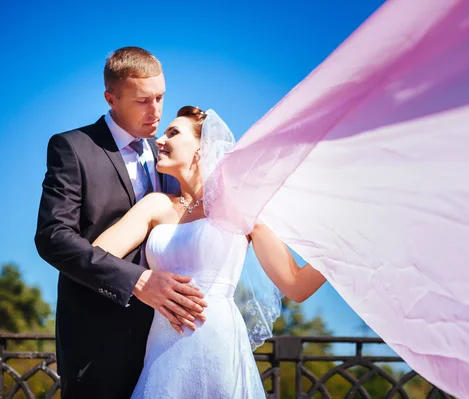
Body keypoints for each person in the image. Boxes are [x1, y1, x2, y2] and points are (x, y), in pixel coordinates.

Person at [93, 106, 327, 398]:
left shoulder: (241, 207)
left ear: (201, 149)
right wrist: (142, 283)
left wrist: (341, 247)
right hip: (162, 345)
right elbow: (96, 256)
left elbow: (296, 284)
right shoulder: (155, 205)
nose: (160, 141)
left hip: (217, 341)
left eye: (173, 133)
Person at [34, 47, 208, 398]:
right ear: (110, 98)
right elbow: (53, 237)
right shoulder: (74, 148)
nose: (156, 111)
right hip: (100, 340)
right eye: (143, 101)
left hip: (171, 341)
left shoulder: (172, 159)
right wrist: (137, 280)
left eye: (160, 97)